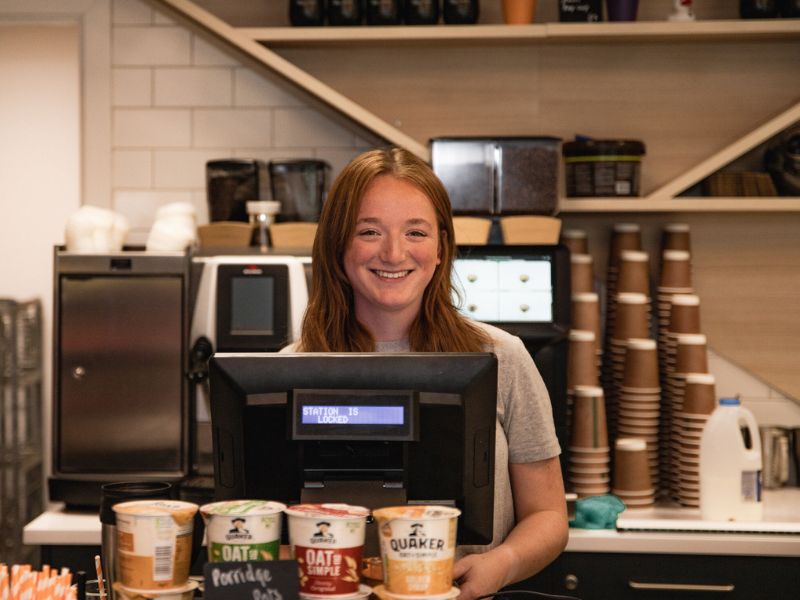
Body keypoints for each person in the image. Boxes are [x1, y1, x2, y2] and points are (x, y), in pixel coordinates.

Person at [282, 147, 568, 600]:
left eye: (415, 232)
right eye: (369, 231)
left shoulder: (502, 358)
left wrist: (502, 563)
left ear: (440, 249)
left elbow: (549, 516)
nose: (394, 253)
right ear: (338, 246)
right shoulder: (289, 369)